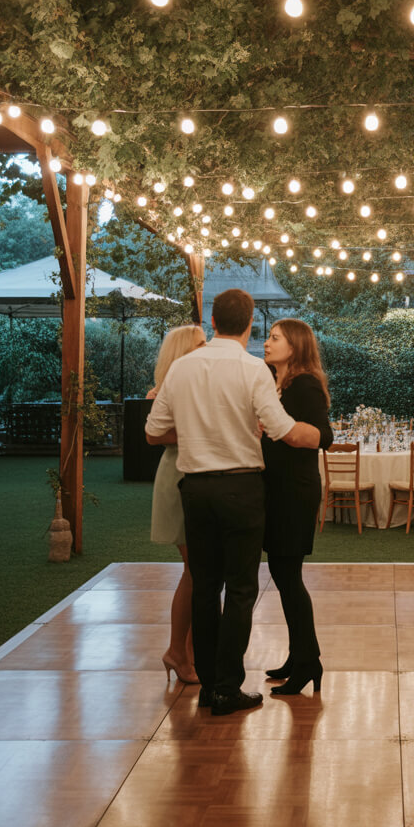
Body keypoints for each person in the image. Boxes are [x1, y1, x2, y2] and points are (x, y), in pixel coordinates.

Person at [145, 289, 321, 716]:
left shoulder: (183, 368)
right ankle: (227, 685)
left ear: (214, 321)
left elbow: (153, 430)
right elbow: (280, 428)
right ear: (248, 324)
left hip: (196, 489)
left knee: (205, 587)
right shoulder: (252, 369)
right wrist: (316, 435)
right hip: (242, 489)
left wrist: (200, 432)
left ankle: (207, 685)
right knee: (241, 590)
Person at [261, 319, 333, 696]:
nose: (266, 342)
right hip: (279, 491)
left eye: (275, 338)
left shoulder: (303, 384)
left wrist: (276, 428)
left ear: (296, 346)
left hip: (294, 492)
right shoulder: (278, 382)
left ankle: (308, 662)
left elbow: (325, 436)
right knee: (284, 574)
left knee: (288, 577)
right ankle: (299, 655)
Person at [147, 323, 206, 684]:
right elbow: (156, 436)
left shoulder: (197, 385)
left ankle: (190, 652)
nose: (206, 348)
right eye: (200, 344)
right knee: (197, 569)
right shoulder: (164, 390)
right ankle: (177, 651)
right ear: (183, 351)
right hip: (178, 479)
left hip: (197, 478)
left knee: (200, 570)